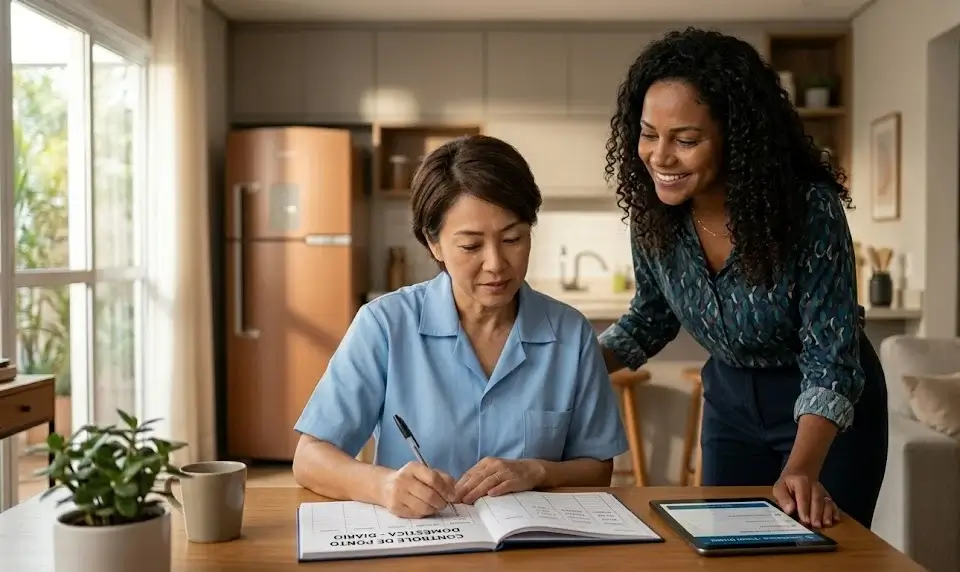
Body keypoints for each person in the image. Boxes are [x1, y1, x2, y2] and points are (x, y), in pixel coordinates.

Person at [598, 27, 888, 530]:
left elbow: (830, 355)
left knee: (823, 556)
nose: (660, 157)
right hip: (730, 403)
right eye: (648, 134)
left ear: (738, 138)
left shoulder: (807, 211)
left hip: (823, 411)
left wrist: (801, 468)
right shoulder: (654, 216)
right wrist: (566, 367)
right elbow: (650, 317)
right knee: (726, 545)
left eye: (685, 139)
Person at [293, 134, 629, 519]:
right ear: (433, 244)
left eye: (513, 238)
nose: (496, 264)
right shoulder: (385, 325)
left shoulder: (571, 334)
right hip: (421, 545)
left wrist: (537, 471)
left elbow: (598, 469)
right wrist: (383, 486)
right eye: (471, 246)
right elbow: (310, 458)